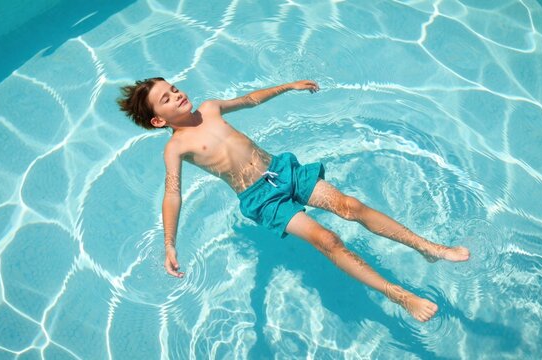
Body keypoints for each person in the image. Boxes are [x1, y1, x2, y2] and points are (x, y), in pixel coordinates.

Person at [117, 77, 470, 322]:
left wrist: (288, 87)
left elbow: (251, 99)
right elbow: (173, 192)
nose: (177, 94)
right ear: (158, 119)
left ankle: (429, 248)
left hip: (282, 171)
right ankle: (400, 296)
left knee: (351, 206)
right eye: (166, 98)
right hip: (263, 200)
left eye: (174, 88)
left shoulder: (210, 108)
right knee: (328, 240)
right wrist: (169, 244)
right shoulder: (176, 146)